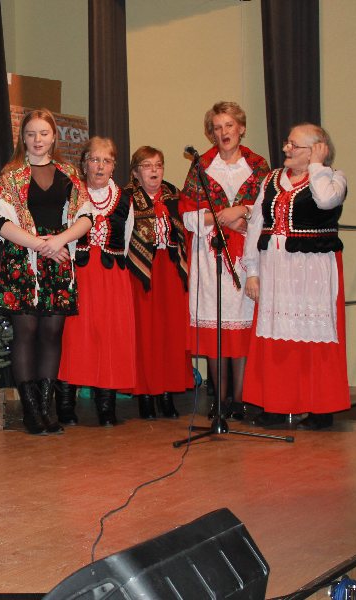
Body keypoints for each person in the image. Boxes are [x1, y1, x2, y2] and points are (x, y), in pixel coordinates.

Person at [0, 109, 92, 435]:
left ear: (53, 136)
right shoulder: (10, 175)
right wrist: (39, 244)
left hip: (57, 262)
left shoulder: (69, 173)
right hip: (22, 263)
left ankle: (47, 409)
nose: (37, 139)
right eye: (31, 133)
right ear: (23, 137)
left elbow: (85, 217)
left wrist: (58, 241)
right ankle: (31, 412)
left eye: (43, 133)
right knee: (27, 332)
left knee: (51, 334)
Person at [242, 124, 349, 430]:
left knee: (315, 336)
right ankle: (276, 405)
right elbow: (257, 224)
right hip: (276, 268)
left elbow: (325, 200)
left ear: (317, 149)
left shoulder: (334, 178)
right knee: (276, 336)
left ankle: (320, 408)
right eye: (287, 143)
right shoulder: (271, 179)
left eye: (294, 145)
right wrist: (252, 271)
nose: (286, 149)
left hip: (313, 269)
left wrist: (317, 166)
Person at [180, 101, 269, 420]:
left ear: (241, 128)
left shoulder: (257, 166)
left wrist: (242, 211)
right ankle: (219, 398)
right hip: (210, 255)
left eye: (229, 125)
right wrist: (222, 217)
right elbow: (187, 214)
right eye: (217, 128)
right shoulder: (201, 166)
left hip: (246, 255)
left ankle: (240, 399)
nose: (223, 132)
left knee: (241, 324)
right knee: (216, 324)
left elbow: (267, 208)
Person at [59, 137, 136, 426]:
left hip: (112, 277)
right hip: (79, 274)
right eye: (94, 160)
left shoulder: (125, 199)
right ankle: (65, 404)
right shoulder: (72, 194)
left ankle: (106, 405)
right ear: (84, 164)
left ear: (114, 166)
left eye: (106, 161)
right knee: (74, 337)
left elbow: (126, 238)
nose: (100, 166)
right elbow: (64, 233)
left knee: (110, 337)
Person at [125, 146, 190, 419]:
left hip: (170, 271)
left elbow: (188, 229)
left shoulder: (174, 195)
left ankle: (167, 393)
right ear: (136, 172)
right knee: (145, 334)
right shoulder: (127, 197)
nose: (154, 170)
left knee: (170, 334)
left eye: (159, 165)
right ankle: (145, 394)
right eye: (147, 165)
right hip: (141, 273)